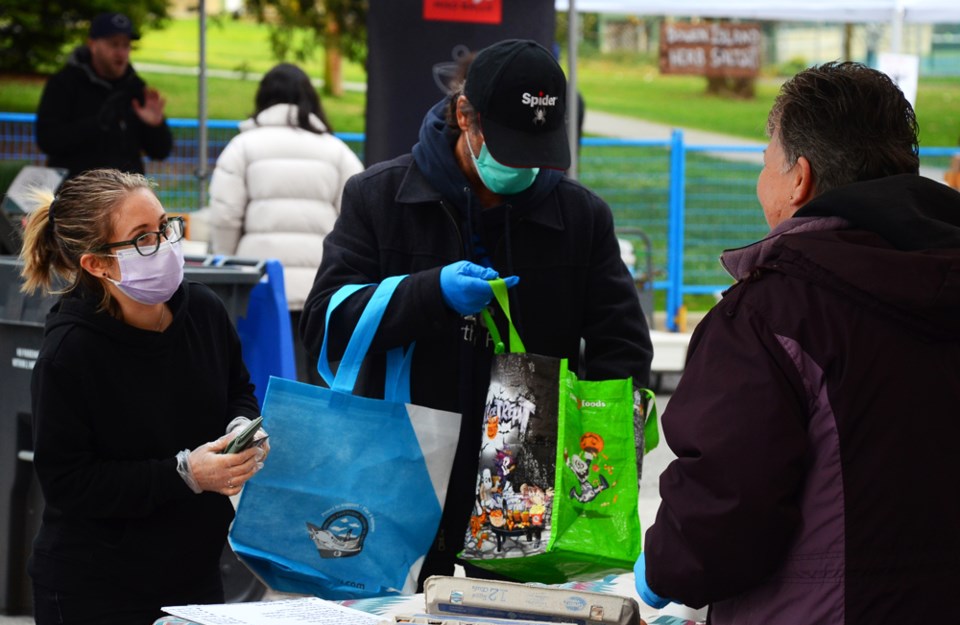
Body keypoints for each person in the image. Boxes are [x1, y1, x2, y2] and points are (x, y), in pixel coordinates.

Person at [300, 39, 653, 586]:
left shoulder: (581, 217)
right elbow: (325, 322)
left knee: (516, 618)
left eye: (538, 151)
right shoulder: (380, 197)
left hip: (526, 463)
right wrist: (429, 294)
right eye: (511, 147)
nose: (524, 167)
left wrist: (598, 449)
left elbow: (622, 348)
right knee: (395, 611)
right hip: (405, 456)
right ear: (465, 117)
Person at [635, 62, 960, 625]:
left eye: (766, 161)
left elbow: (722, 513)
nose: (761, 180)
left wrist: (663, 567)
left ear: (799, 179)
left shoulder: (770, 315)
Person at [19, 169, 269, 625]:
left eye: (165, 227)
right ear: (97, 264)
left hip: (193, 578)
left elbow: (238, 388)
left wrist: (241, 427)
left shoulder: (205, 312)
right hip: (97, 591)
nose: (166, 244)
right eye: (143, 238)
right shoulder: (69, 354)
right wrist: (185, 474)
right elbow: (70, 483)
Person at [207, 62, 364, 384]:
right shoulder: (337, 151)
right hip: (325, 290)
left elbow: (225, 216)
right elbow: (358, 216)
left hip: (261, 285)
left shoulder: (242, 147)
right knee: (322, 388)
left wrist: (228, 270)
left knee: (268, 382)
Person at [35, 12, 173, 179]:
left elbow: (160, 152)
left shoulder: (135, 87)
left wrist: (155, 126)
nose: (121, 53)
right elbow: (48, 140)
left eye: (126, 45)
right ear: (93, 44)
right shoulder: (65, 83)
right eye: (114, 44)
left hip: (126, 193)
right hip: (78, 191)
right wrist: (97, 124)